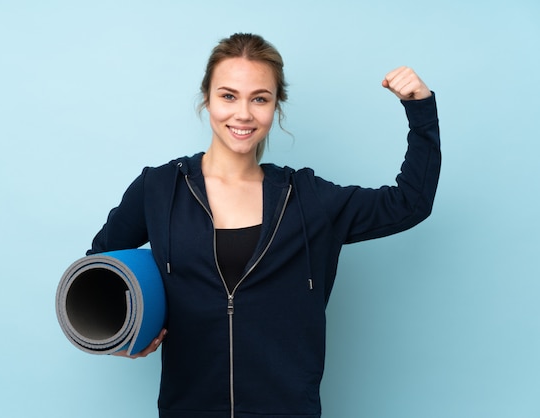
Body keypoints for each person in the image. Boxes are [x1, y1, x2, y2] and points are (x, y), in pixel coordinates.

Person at [87, 33, 440, 418]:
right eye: (228, 96)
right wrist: (129, 332)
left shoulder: (307, 199)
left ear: (276, 106)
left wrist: (419, 109)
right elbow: (97, 269)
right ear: (207, 99)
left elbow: (410, 203)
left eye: (260, 98)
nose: (243, 113)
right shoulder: (159, 189)